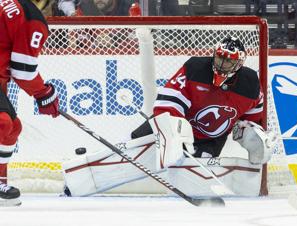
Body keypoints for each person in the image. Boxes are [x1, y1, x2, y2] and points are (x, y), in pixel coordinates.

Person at [61, 36, 275, 197]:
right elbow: (167, 103)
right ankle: (78, 177)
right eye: (219, 57)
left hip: (210, 140)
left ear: (239, 64)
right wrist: (175, 135)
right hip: (173, 126)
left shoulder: (250, 86)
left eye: (228, 61)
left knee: (192, 175)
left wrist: (252, 136)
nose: (221, 64)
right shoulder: (195, 68)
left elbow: (250, 121)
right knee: (127, 148)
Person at [0, 0, 60, 206]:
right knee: (3, 123)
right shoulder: (30, 16)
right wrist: (44, 94)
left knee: (12, 128)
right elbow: (23, 71)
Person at [55, 0, 133, 16]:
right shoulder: (85, 5)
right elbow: (64, 2)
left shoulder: (128, 7)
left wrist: (112, 39)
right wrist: (72, 14)